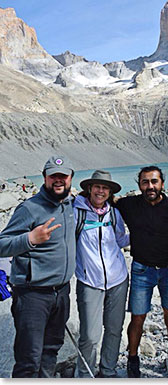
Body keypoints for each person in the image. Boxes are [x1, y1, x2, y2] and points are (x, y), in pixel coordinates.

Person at [0, 155, 76, 378]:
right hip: (33, 296)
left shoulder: (71, 205)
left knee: (51, 352)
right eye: (54, 176)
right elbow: (2, 244)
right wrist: (30, 239)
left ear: (71, 178)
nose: (59, 181)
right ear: (45, 178)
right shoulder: (29, 208)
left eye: (63, 176)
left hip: (61, 293)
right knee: (29, 359)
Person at [116, 165, 168, 378]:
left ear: (162, 184)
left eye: (154, 181)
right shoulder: (129, 205)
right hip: (142, 269)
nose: (150, 186)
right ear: (139, 185)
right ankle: (132, 358)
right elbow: (107, 202)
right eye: (145, 182)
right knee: (138, 315)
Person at [73, 170, 130, 378]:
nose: (100, 191)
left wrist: (148, 235)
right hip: (89, 281)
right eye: (97, 186)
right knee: (89, 335)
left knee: (114, 329)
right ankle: (85, 374)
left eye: (105, 188)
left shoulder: (114, 213)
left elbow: (122, 240)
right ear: (89, 188)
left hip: (118, 280)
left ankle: (108, 370)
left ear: (110, 192)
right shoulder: (76, 212)